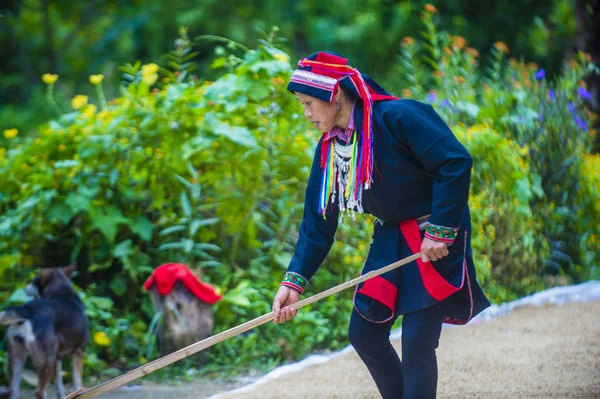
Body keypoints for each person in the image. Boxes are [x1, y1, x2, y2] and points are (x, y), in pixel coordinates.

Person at [271, 51, 491, 399]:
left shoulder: (400, 116)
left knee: (417, 342)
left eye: (309, 103)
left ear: (336, 94)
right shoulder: (331, 149)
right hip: (392, 239)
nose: (307, 114)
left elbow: (455, 162)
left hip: (433, 239)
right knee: (364, 334)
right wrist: (294, 282)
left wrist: (440, 230)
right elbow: (317, 222)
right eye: (302, 104)